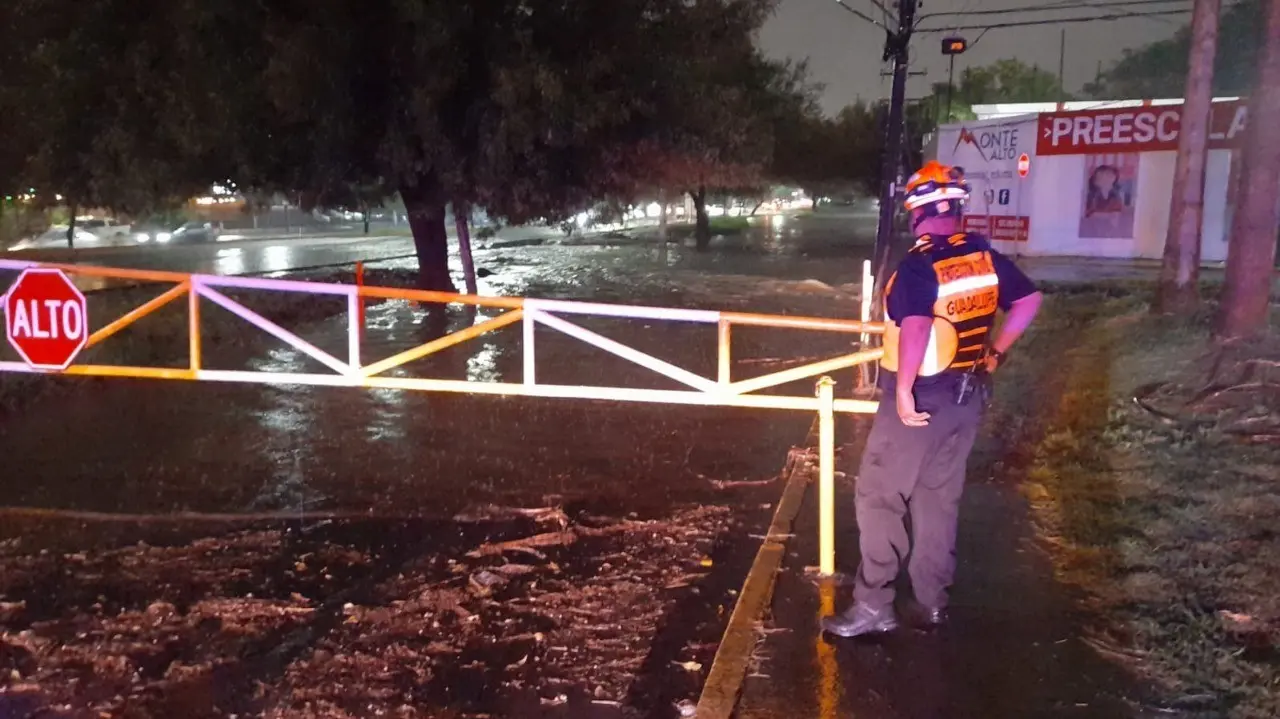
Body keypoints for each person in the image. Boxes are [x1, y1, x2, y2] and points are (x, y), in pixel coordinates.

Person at [822, 160, 1043, 638]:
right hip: (969, 396)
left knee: (880, 496)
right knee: (938, 498)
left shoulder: (919, 266)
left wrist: (902, 392)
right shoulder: (985, 259)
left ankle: (874, 605)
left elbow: (917, 326)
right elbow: (1028, 301)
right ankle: (931, 602)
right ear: (957, 210)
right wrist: (997, 353)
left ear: (915, 213)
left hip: (922, 398)